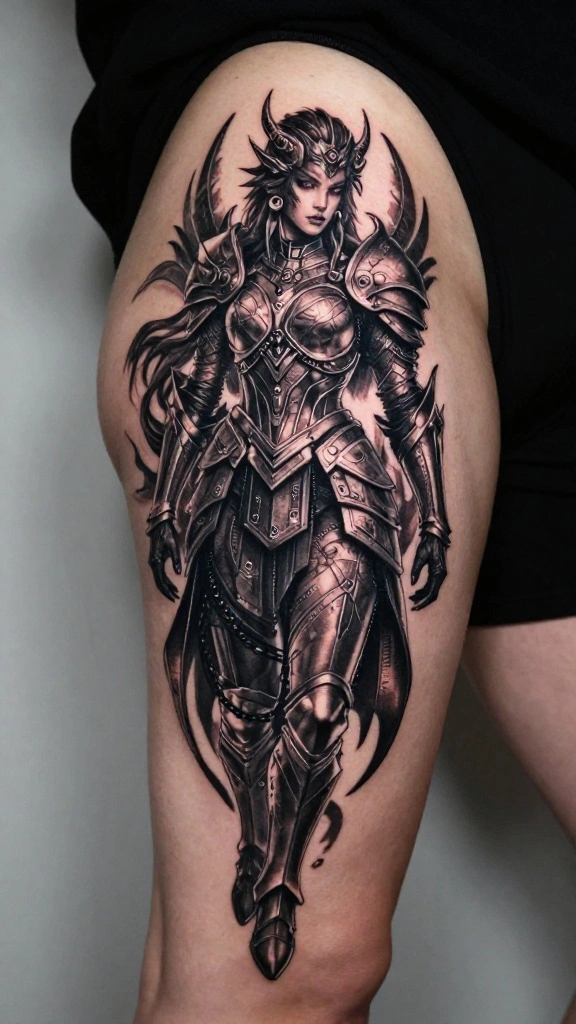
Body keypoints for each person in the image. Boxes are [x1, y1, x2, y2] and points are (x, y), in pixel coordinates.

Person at [76, 3, 575, 1021]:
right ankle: (272, 869)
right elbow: (203, 389)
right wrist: (175, 503)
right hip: (364, 50)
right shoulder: (237, 263)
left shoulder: (366, 270)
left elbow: (402, 398)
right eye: (308, 183)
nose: (322, 201)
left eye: (336, 187)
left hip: (556, 135)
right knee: (290, 981)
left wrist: (431, 519)